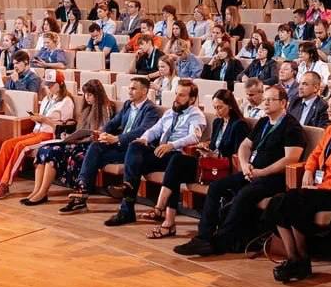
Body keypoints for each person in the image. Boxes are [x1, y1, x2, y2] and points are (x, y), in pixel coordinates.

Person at [174, 85, 305, 257]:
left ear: (283, 103)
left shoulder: (291, 127)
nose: (265, 103)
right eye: (264, 99)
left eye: (270, 100)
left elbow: (291, 159)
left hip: (273, 178)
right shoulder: (264, 122)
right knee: (216, 187)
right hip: (251, 172)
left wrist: (263, 172)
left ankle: (219, 242)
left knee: (244, 194)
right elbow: (245, 145)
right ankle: (203, 237)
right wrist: (244, 165)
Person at [269, 89, 331, 282]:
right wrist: (308, 170)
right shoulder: (330, 131)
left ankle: (302, 259)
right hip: (317, 187)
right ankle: (294, 258)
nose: (328, 110)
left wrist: (321, 186)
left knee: (294, 199)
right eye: (328, 105)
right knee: (279, 200)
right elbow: (315, 155)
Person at [144, 89, 249, 238]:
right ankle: (167, 220)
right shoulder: (218, 122)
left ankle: (162, 213)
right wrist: (206, 148)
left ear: (230, 106)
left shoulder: (239, 125)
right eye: (215, 107)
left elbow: (238, 154)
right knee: (176, 165)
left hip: (224, 168)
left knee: (176, 165)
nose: (217, 111)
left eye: (220, 107)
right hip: (209, 162)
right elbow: (214, 144)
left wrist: (215, 154)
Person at [105, 79, 206, 226]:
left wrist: (171, 145)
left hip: (177, 156)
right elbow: (155, 130)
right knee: (135, 146)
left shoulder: (196, 115)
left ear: (192, 99)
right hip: (160, 153)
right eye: (176, 94)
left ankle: (127, 203)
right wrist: (144, 139)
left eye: (182, 95)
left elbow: (194, 137)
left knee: (167, 161)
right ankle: (127, 200)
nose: (176, 98)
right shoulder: (170, 113)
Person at [58, 76, 161, 213]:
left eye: (134, 89)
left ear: (144, 91)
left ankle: (80, 198)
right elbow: (113, 123)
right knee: (95, 146)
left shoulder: (151, 109)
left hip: (134, 150)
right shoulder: (127, 105)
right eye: (129, 88)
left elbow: (142, 131)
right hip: (120, 147)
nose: (130, 91)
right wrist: (101, 132)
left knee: (92, 156)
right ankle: (82, 190)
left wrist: (117, 138)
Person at [21, 80, 117, 206]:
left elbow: (102, 131)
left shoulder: (105, 108)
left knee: (54, 152)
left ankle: (43, 192)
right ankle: (36, 190)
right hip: (79, 141)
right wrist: (70, 136)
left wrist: (82, 137)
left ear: (97, 95)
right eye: (85, 94)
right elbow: (80, 129)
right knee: (45, 149)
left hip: (91, 145)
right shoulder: (87, 109)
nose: (87, 98)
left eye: (90, 95)